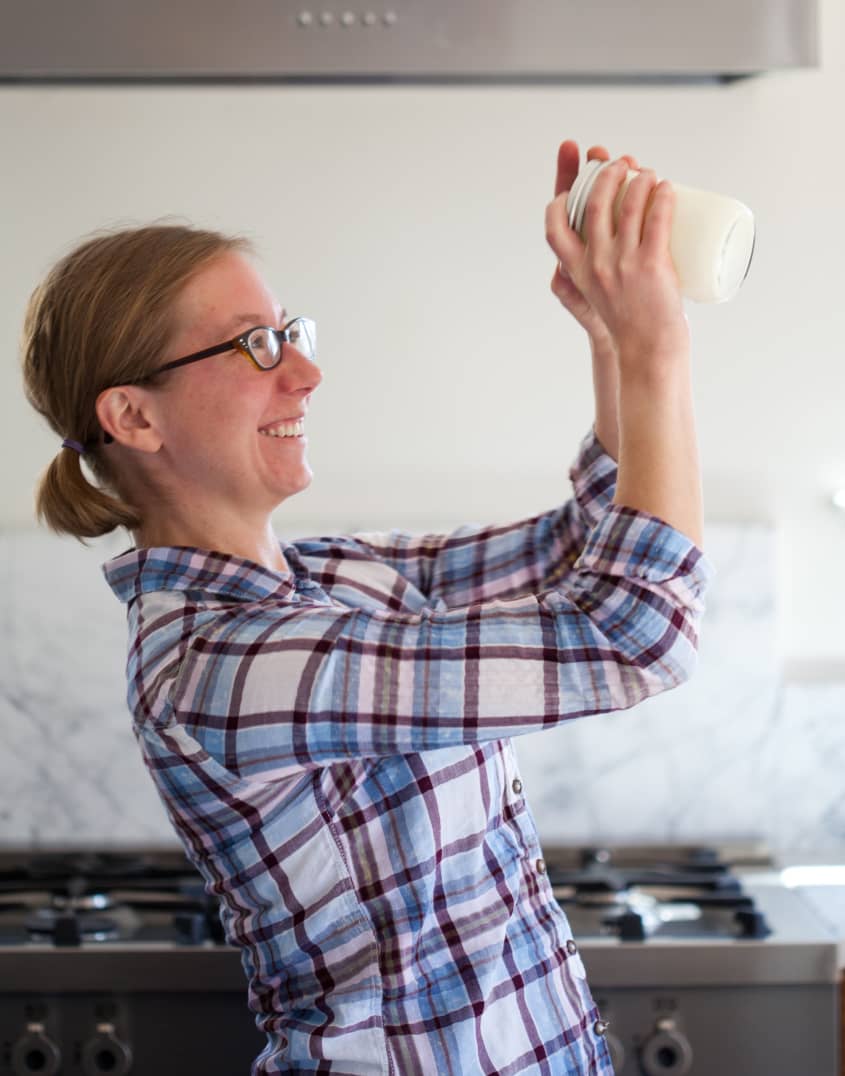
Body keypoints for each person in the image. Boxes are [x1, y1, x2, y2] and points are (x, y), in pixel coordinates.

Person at [21, 138, 711, 1075]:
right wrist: (653, 348)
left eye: (290, 333)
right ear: (134, 417)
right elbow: (636, 636)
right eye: (252, 346)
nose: (303, 375)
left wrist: (605, 340)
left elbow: (586, 550)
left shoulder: (332, 578)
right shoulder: (221, 667)